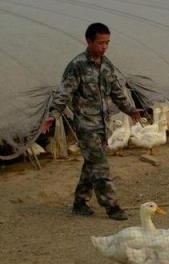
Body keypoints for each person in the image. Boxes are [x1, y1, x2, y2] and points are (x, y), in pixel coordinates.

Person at [41, 23, 141, 221]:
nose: (104, 47)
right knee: (101, 166)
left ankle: (79, 202)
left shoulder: (106, 64)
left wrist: (130, 109)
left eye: (107, 43)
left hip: (103, 125)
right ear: (89, 41)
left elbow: (116, 91)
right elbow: (64, 93)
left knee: (92, 164)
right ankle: (112, 207)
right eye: (100, 43)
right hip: (86, 125)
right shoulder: (77, 66)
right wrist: (53, 115)